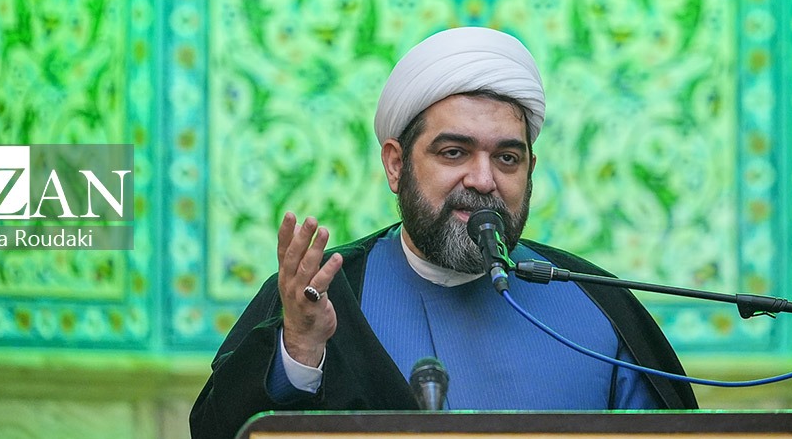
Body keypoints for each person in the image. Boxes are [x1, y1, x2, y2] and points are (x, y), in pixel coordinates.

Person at [191, 27, 696, 439]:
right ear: (396, 165)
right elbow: (222, 430)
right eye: (454, 153)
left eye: (507, 158)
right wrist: (300, 352)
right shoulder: (326, 293)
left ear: (530, 171)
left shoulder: (597, 304)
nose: (483, 180)